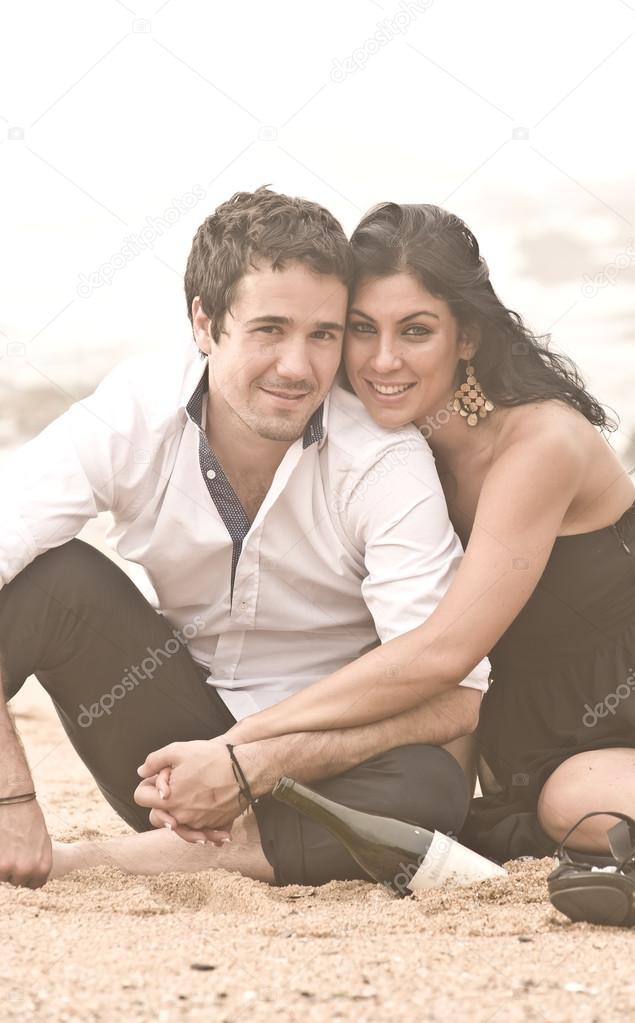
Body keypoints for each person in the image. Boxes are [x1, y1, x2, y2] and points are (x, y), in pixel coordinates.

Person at [158, 201, 635, 865]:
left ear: (464, 337)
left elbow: (442, 652)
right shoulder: (388, 451)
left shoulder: (538, 441)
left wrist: (242, 744)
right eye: (358, 329)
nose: (382, 360)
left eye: (414, 331)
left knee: (572, 800)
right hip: (528, 723)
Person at [0, 188, 489, 890]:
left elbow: (455, 694)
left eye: (323, 334)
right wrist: (11, 795)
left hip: (313, 768)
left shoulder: (382, 458)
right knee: (50, 583)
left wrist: (251, 759)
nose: (298, 367)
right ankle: (208, 847)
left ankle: (110, 861)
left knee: (430, 788)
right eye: (268, 328)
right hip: (164, 761)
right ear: (204, 322)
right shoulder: (136, 411)